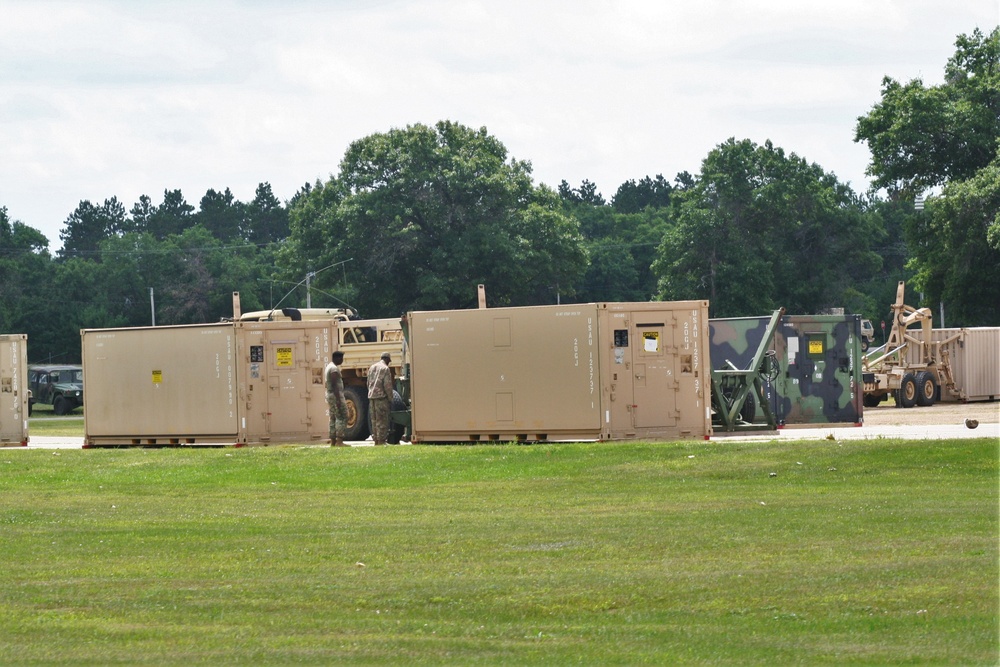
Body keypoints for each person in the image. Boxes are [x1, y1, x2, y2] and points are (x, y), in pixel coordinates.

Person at [367, 351, 394, 445]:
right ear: (386, 359)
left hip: (371, 397)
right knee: (382, 419)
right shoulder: (385, 369)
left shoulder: (372, 367)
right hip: (381, 398)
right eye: (389, 361)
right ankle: (382, 441)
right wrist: (391, 398)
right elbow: (387, 386)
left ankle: (376, 441)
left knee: (373, 420)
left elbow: (368, 383)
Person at [325, 351, 348, 446]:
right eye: (341, 358)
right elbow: (334, 384)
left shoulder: (328, 367)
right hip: (336, 395)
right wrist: (338, 399)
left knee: (333, 417)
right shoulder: (334, 369)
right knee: (341, 416)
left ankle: (333, 441)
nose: (342, 360)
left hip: (330, 395)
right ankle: (339, 441)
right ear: (337, 358)